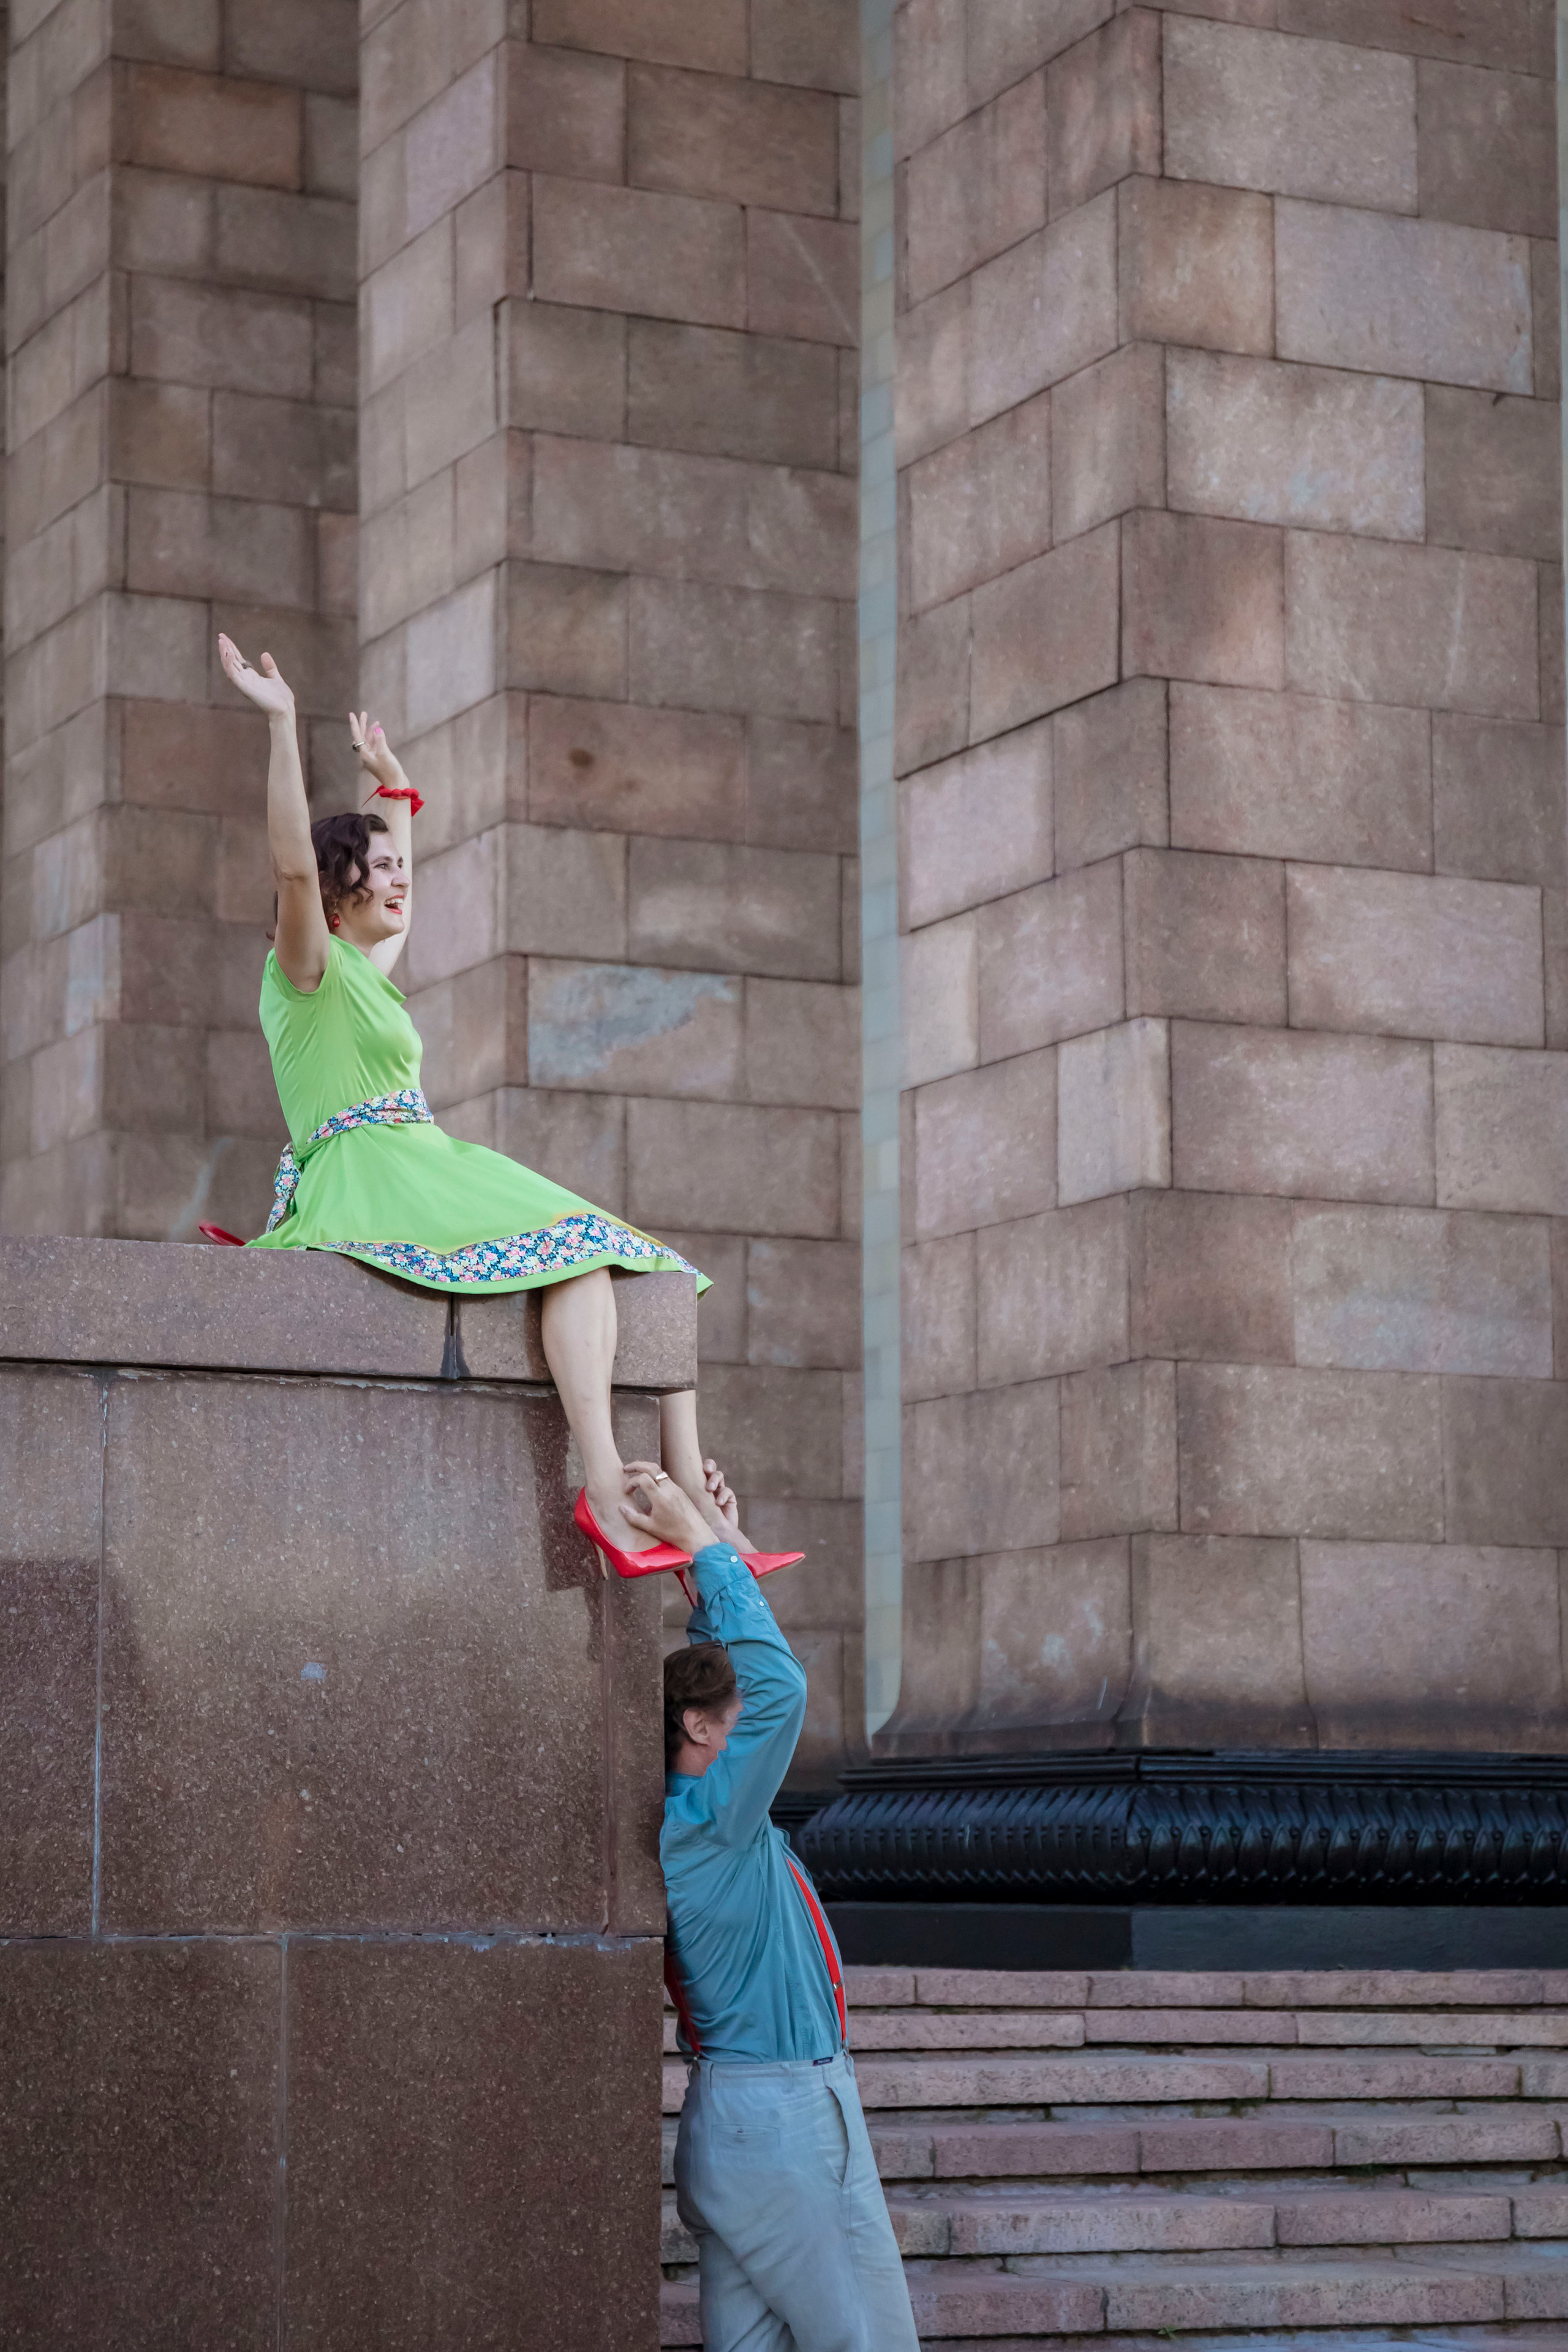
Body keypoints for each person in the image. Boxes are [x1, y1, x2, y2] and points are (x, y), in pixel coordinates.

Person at [216, 633, 800, 1582]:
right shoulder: (307, 969)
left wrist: (395, 792)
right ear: (336, 892)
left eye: (399, 865)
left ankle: (678, 1501)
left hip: (424, 1160)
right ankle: (613, 1492)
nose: (401, 875)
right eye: (380, 867)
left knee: (641, 1264)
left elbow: (386, 869)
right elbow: (292, 869)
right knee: (582, 1244)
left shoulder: (362, 974)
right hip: (373, 1175)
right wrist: (282, 724)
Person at [624, 1463, 919, 2352]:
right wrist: (708, 1545)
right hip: (779, 2119)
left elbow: (744, 1676)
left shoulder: (708, 1817)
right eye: (734, 1713)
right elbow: (780, 1688)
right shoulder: (708, 1824)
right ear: (705, 1731)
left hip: (753, 2118)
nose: (758, 1720)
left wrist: (705, 1551)